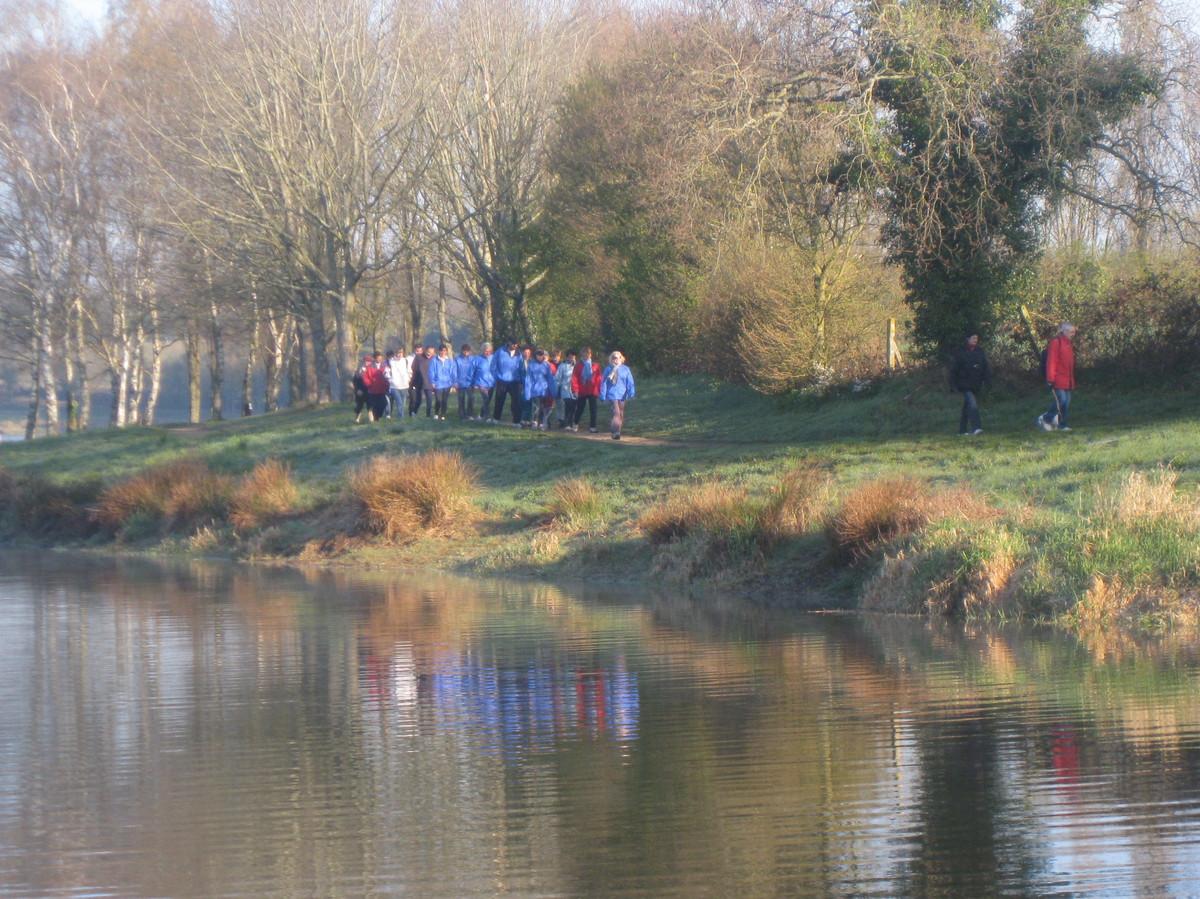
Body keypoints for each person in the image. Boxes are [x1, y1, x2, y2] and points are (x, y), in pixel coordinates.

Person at [1038, 323, 1077, 432]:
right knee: (1062, 400)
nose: (1073, 334)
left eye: (1074, 332)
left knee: (1066, 402)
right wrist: (1050, 379)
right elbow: (1052, 361)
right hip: (1057, 379)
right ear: (1064, 331)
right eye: (1071, 332)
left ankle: (1062, 425)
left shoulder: (1068, 344)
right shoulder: (1056, 342)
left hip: (1067, 379)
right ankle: (1046, 418)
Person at [950, 333, 991, 436]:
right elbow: (954, 370)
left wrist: (987, 381)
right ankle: (976, 427)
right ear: (967, 339)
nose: (975, 340)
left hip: (976, 384)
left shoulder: (980, 351)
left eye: (976, 338)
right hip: (964, 384)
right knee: (973, 404)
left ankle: (962, 430)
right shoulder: (960, 352)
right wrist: (953, 385)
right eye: (973, 338)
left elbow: (985, 367)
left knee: (967, 406)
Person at [600, 350, 635, 440]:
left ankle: (617, 431)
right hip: (612, 394)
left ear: (621, 358)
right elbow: (603, 382)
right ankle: (615, 432)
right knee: (616, 413)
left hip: (622, 394)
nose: (616, 359)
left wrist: (631, 392)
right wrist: (603, 394)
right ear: (611, 359)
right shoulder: (608, 369)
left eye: (618, 357)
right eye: (614, 358)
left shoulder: (625, 369)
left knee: (621, 414)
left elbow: (630, 382)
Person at [490, 340, 522, 424]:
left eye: (516, 344)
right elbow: (493, 365)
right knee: (499, 400)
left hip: (515, 381)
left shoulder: (519, 354)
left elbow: (521, 367)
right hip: (502, 381)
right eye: (513, 344)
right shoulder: (500, 351)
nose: (515, 346)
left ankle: (516, 421)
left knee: (516, 402)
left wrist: (520, 379)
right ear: (509, 343)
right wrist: (496, 377)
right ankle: (496, 419)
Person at [572, 346, 602, 433]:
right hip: (582, 389)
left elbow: (599, 378)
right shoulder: (578, 365)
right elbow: (574, 378)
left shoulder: (595, 365)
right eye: (584, 354)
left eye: (588, 354)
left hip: (592, 390)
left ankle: (593, 427)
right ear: (581, 355)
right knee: (580, 408)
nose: (586, 356)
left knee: (593, 409)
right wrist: (575, 390)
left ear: (590, 354)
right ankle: (575, 423)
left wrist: (599, 389)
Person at [524, 348, 555, 430]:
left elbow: (550, 379)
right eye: (538, 355)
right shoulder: (531, 365)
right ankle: (534, 422)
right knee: (536, 407)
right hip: (535, 390)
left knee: (543, 407)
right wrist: (528, 392)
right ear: (536, 355)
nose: (540, 356)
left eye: (541, 355)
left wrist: (553, 391)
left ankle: (541, 423)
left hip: (544, 390)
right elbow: (528, 379)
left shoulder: (546, 365)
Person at [428, 344, 454, 421]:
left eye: (444, 351)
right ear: (439, 351)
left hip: (447, 384)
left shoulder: (449, 361)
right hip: (438, 384)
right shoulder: (434, 361)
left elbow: (452, 372)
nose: (443, 352)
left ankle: (443, 414)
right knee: (438, 400)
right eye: (441, 351)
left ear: (446, 351)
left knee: (444, 400)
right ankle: (436, 413)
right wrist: (432, 382)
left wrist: (452, 382)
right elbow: (431, 372)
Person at [363, 351, 391, 422]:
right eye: (378, 358)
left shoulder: (384, 366)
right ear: (375, 358)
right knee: (375, 405)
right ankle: (376, 418)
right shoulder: (369, 367)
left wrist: (387, 385)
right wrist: (369, 385)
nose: (380, 360)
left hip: (382, 389)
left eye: (381, 358)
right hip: (373, 390)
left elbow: (387, 377)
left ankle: (378, 415)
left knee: (384, 403)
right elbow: (365, 378)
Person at [387, 346, 412, 419]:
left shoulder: (406, 361)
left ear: (403, 353)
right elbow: (387, 372)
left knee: (403, 403)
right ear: (395, 353)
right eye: (398, 353)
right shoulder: (390, 361)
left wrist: (408, 379)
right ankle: (401, 418)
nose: (399, 354)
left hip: (404, 385)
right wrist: (390, 380)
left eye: (401, 352)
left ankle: (400, 416)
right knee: (399, 402)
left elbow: (409, 371)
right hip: (394, 386)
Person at [472, 342, 495, 421]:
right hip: (481, 383)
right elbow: (472, 371)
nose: (487, 353)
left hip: (491, 383)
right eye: (486, 351)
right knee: (486, 399)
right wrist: (474, 383)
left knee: (487, 400)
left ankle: (481, 415)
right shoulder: (477, 359)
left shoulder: (494, 358)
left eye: (489, 351)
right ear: (482, 351)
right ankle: (487, 417)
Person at [556, 349, 578, 430]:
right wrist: (557, 388)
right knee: (568, 406)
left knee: (574, 407)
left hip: (575, 391)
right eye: (570, 357)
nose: (571, 358)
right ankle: (567, 424)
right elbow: (558, 378)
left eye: (573, 357)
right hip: (565, 390)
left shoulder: (577, 366)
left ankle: (572, 423)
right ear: (567, 357)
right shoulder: (562, 366)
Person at [454, 344, 476, 420]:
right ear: (462, 351)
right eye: (464, 351)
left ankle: (470, 414)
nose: (466, 353)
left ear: (470, 351)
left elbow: (475, 370)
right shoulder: (457, 359)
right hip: (460, 383)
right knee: (461, 399)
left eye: (467, 351)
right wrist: (455, 382)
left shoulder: (473, 359)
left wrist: (475, 382)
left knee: (471, 398)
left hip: (470, 383)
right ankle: (462, 415)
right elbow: (454, 372)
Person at [408, 343, 426, 416]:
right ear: (414, 350)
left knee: (419, 399)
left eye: (420, 351)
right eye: (417, 351)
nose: (419, 352)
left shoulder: (423, 358)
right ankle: (411, 413)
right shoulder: (409, 359)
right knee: (413, 399)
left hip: (420, 381)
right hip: (411, 381)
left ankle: (414, 412)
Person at [419, 345, 437, 418]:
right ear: (425, 351)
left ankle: (432, 414)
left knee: (433, 400)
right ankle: (426, 414)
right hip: (423, 382)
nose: (430, 353)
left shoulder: (435, 359)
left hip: (433, 382)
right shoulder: (420, 358)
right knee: (424, 400)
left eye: (432, 352)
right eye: (429, 352)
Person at [352, 354, 372, 424]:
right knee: (359, 406)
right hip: (360, 390)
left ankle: (371, 419)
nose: (367, 362)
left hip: (369, 390)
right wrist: (357, 390)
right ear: (363, 361)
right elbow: (355, 380)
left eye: (369, 361)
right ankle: (357, 419)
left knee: (370, 405)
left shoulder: (372, 369)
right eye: (366, 361)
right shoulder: (359, 370)